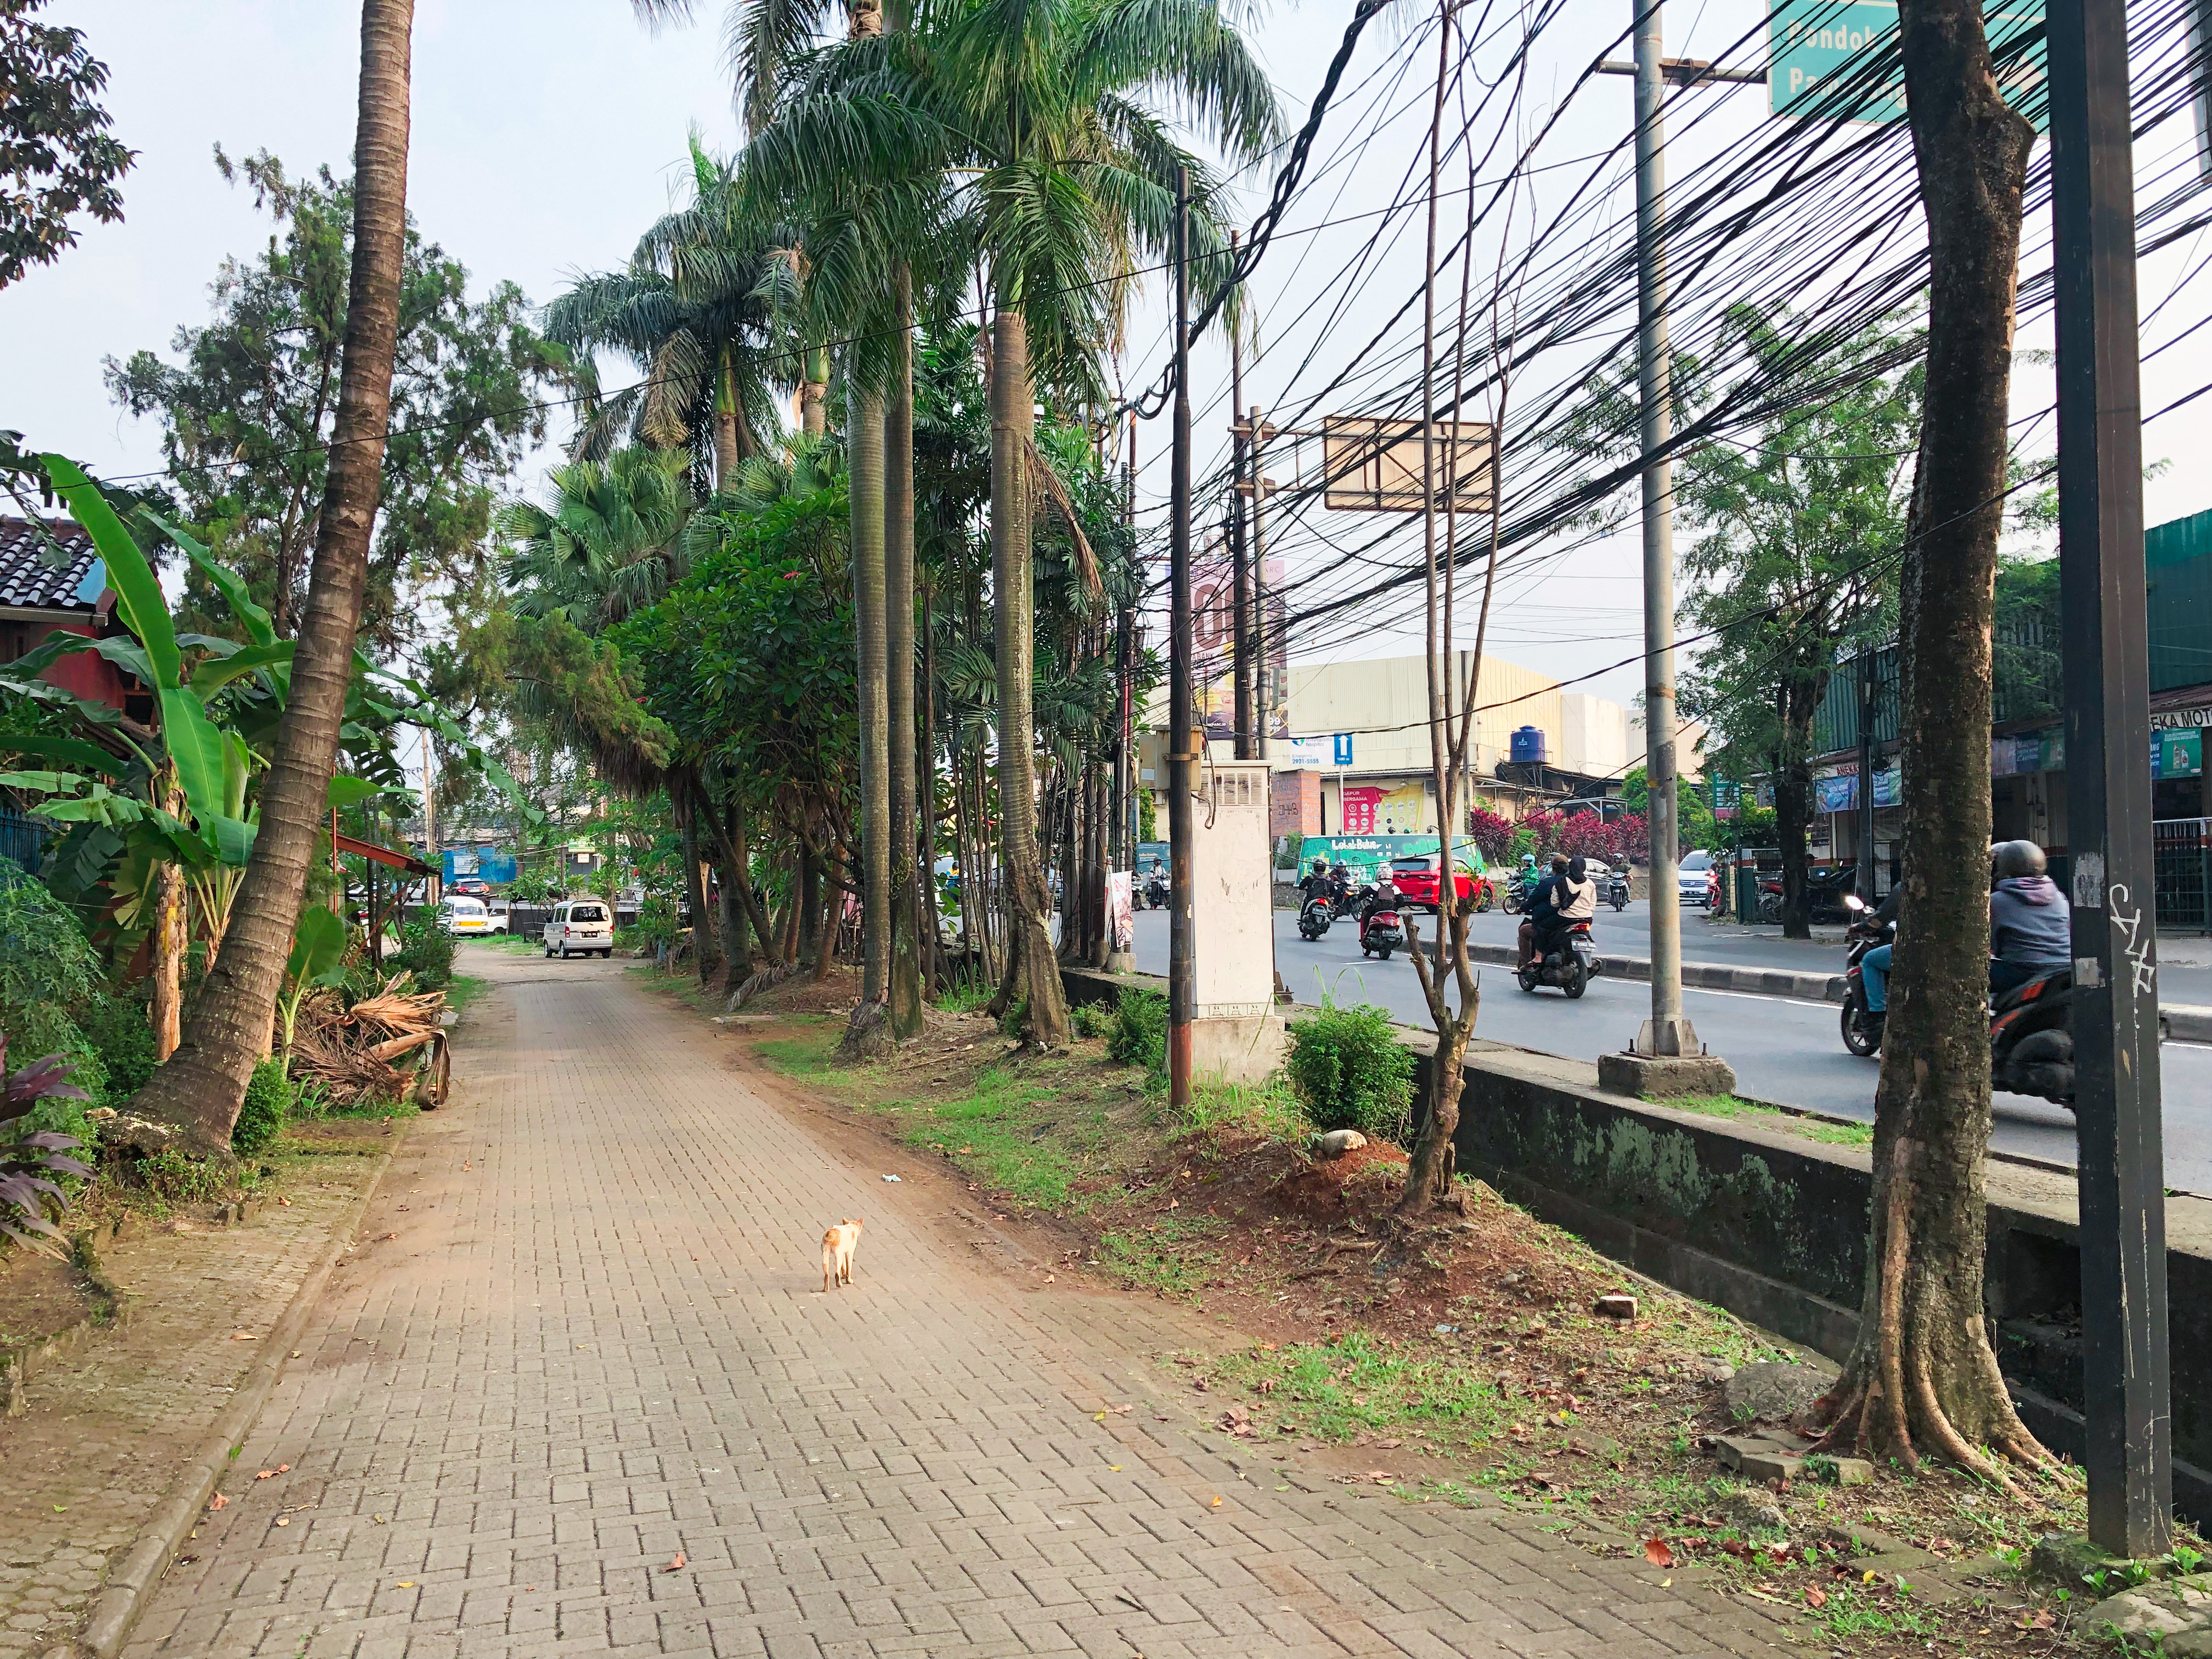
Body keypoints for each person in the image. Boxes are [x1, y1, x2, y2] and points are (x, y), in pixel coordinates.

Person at [1989, 839, 2070, 997]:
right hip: (2064, 968)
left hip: (2024, 972)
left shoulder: (1998, 902)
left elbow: (1989, 943)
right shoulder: (2058, 897)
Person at [1518, 855, 1571, 967]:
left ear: (1553, 868)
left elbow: (1533, 900)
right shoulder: (1574, 883)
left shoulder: (1548, 883)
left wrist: (1522, 908)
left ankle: (1527, 965)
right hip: (1574, 921)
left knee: (1524, 931)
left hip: (1553, 923)